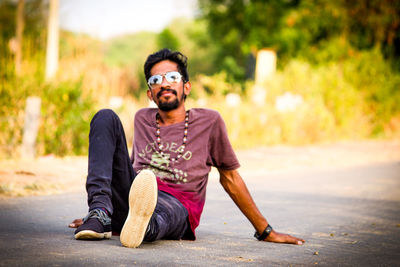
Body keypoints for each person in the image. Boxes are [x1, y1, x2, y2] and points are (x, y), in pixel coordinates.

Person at [69, 48, 305, 248]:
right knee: (105, 116)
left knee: (164, 213)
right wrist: (107, 206)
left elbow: (230, 178)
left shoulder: (209, 121)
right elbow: (126, 169)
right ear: (150, 94)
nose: (164, 84)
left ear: (187, 87)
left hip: (177, 204)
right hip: (134, 193)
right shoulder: (142, 118)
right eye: (155, 81)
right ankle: (101, 212)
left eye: (172, 77)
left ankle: (144, 225)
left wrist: (265, 231)